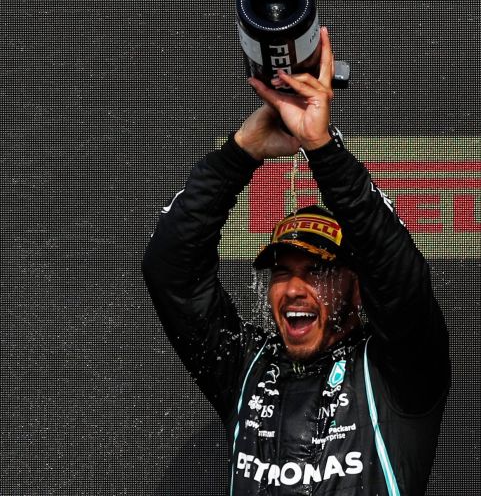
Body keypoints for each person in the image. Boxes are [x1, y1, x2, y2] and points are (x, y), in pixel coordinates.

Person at [142, 27, 450, 495]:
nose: (293, 288)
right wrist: (237, 156)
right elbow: (172, 272)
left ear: (356, 283)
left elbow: (400, 277)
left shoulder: (397, 370)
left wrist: (324, 151)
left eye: (318, 270)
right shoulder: (245, 367)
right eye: (282, 272)